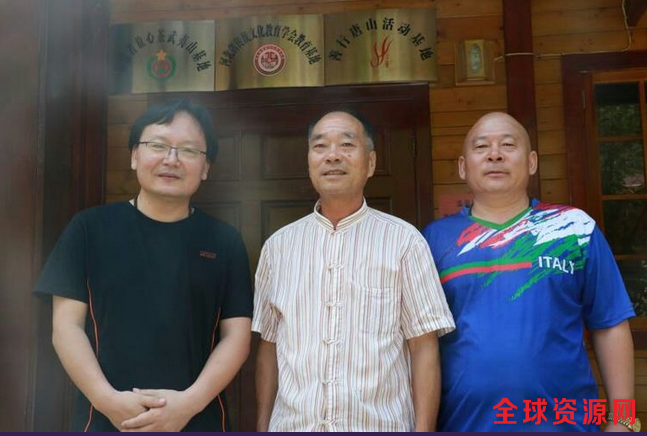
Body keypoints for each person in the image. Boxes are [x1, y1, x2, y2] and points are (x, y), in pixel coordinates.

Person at [34, 99, 253, 432]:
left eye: (188, 150)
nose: (171, 160)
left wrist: (188, 404)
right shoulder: (89, 229)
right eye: (158, 145)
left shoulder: (224, 241)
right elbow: (66, 328)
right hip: (106, 420)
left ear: (206, 167)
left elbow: (236, 336)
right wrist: (107, 400)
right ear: (135, 155)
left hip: (197, 420)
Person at [422, 112, 637, 432]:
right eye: (481, 147)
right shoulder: (433, 240)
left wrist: (624, 419)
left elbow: (610, 324)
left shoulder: (574, 228)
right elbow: (421, 344)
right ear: (463, 167)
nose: (495, 154)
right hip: (464, 425)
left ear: (532, 161)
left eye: (508, 145)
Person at [252, 109, 455, 432]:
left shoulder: (404, 242)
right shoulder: (278, 248)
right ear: (309, 161)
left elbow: (423, 346)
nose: (332, 156)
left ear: (370, 163)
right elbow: (269, 346)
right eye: (320, 146)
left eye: (347, 145)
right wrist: (262, 426)